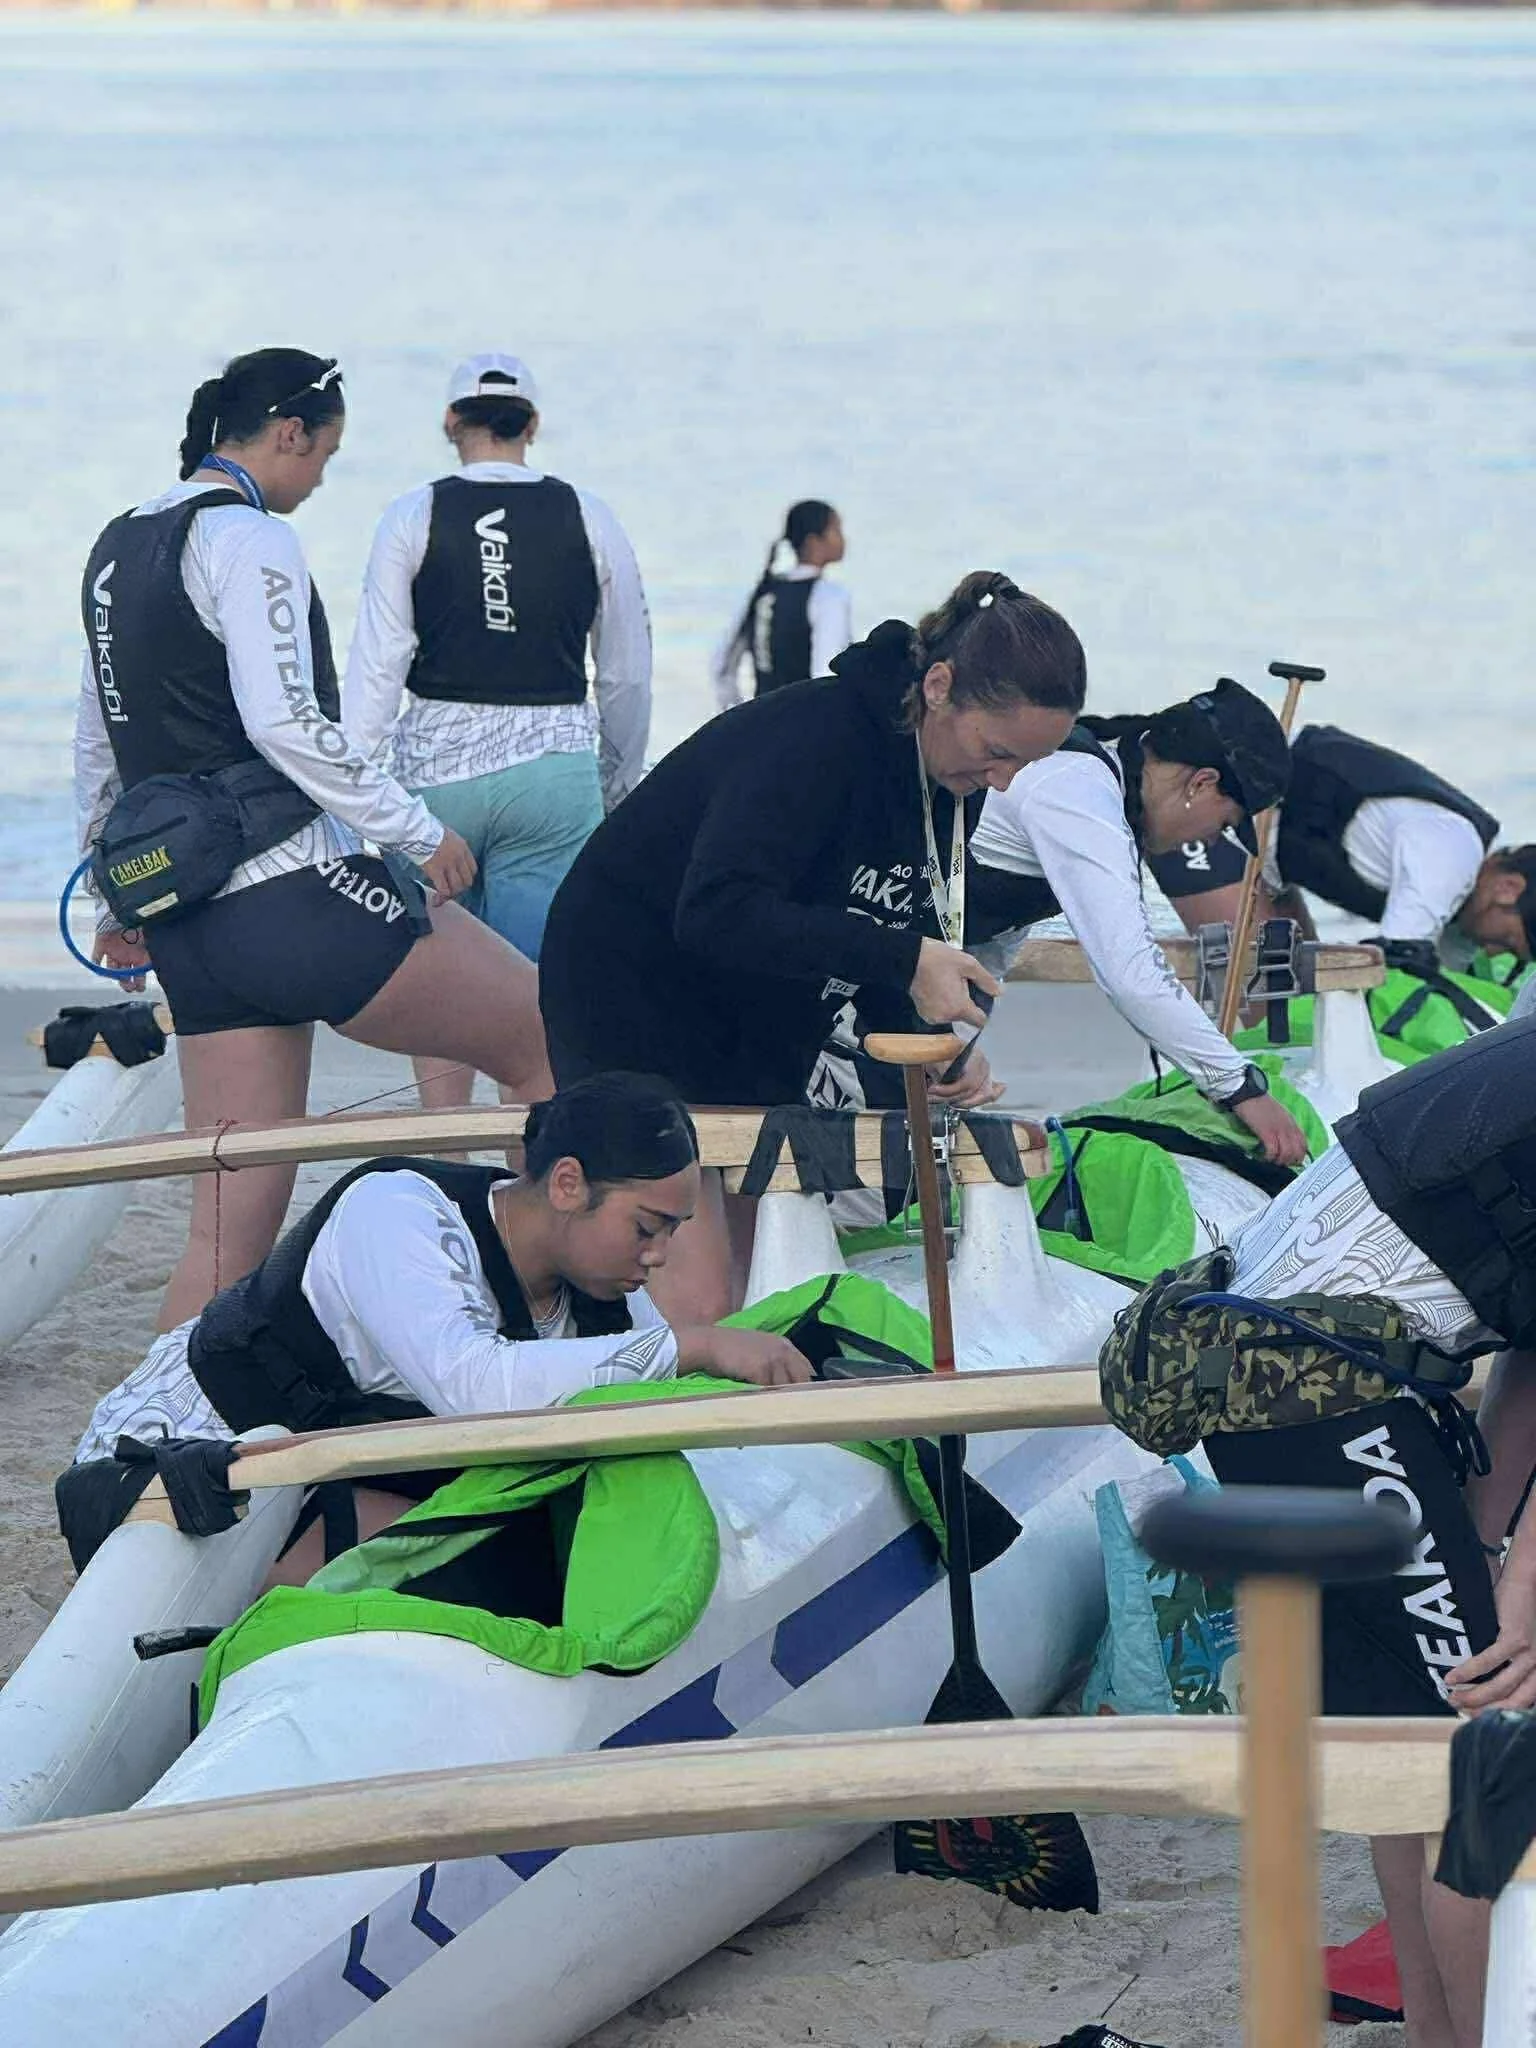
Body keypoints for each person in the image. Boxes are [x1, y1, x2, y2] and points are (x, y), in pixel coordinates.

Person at [76, 348, 554, 1333]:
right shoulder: (249, 537)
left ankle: (149, 1440)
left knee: (222, 1233)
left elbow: (103, 746)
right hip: (294, 897)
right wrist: (417, 830)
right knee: (547, 1031)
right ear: (286, 432)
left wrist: (114, 896)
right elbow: (286, 722)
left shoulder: (115, 549)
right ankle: (546, 1317)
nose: (324, 475)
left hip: (192, 929)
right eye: (326, 453)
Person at [1122, 1015, 1536, 2048]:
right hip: (1315, 1381)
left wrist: (1488, 1538)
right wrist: (1515, 1602)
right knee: (1482, 1774)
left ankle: (1440, 2032)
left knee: (1410, 1747)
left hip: (1275, 1356)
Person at [540, 571, 1089, 1319]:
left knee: (755, 1286)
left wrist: (931, 1047)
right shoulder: (817, 741)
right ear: (937, 686)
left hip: (754, 1003)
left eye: (1023, 766)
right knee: (700, 1300)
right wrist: (906, 960)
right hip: (632, 979)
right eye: (996, 752)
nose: (1001, 780)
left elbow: (874, 919)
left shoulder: (948, 775)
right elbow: (716, 910)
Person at [58, 1073, 811, 1583]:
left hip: (328, 1470)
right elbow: (476, 1389)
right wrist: (698, 1343)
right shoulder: (399, 1212)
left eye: (673, 1232)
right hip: (173, 1467)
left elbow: (634, 1400)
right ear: (568, 1183)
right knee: (499, 1562)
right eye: (646, 1227)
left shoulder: (604, 1290)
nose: (659, 1256)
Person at [343, 353, 652, 1112]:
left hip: (436, 776)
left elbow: (377, 669)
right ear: (533, 427)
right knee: (535, 999)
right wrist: (617, 781)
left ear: (452, 421)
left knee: (438, 980)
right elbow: (626, 673)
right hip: (552, 774)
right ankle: (527, 1170)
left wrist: (350, 788)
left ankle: (446, 1142)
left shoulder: (411, 514)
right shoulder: (590, 515)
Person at [965, 684, 1308, 1166]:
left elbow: (992, 938)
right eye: (1226, 822)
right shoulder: (1079, 794)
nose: (1214, 838)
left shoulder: (1095, 784)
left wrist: (955, 1044)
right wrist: (1240, 1087)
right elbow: (1131, 975)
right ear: (1201, 784)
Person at [1146, 722, 1528, 969]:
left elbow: (1450, 978)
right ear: (1508, 888)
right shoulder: (1453, 855)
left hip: (1271, 861)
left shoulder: (1461, 913)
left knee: (1294, 992)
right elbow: (1396, 959)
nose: (1493, 953)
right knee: (1267, 1006)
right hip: (1218, 812)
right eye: (1509, 941)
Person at [711, 499, 851, 709]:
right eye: (836, 530)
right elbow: (825, 674)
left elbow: (722, 669)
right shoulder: (828, 596)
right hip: (804, 727)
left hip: (761, 723)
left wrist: (737, 716)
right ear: (814, 542)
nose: (843, 539)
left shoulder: (763, 591)